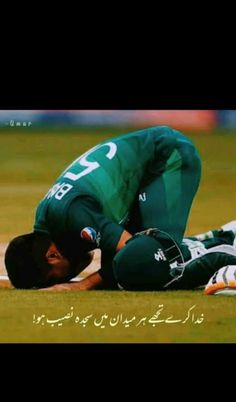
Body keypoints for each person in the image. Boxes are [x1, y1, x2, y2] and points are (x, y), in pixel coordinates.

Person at [5, 125, 202, 290]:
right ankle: (203, 242)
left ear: (53, 256)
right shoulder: (48, 218)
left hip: (167, 156)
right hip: (140, 172)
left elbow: (137, 254)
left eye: (56, 279)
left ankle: (224, 246)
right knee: (122, 272)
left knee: (154, 260)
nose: (64, 282)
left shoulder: (73, 215)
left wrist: (84, 285)